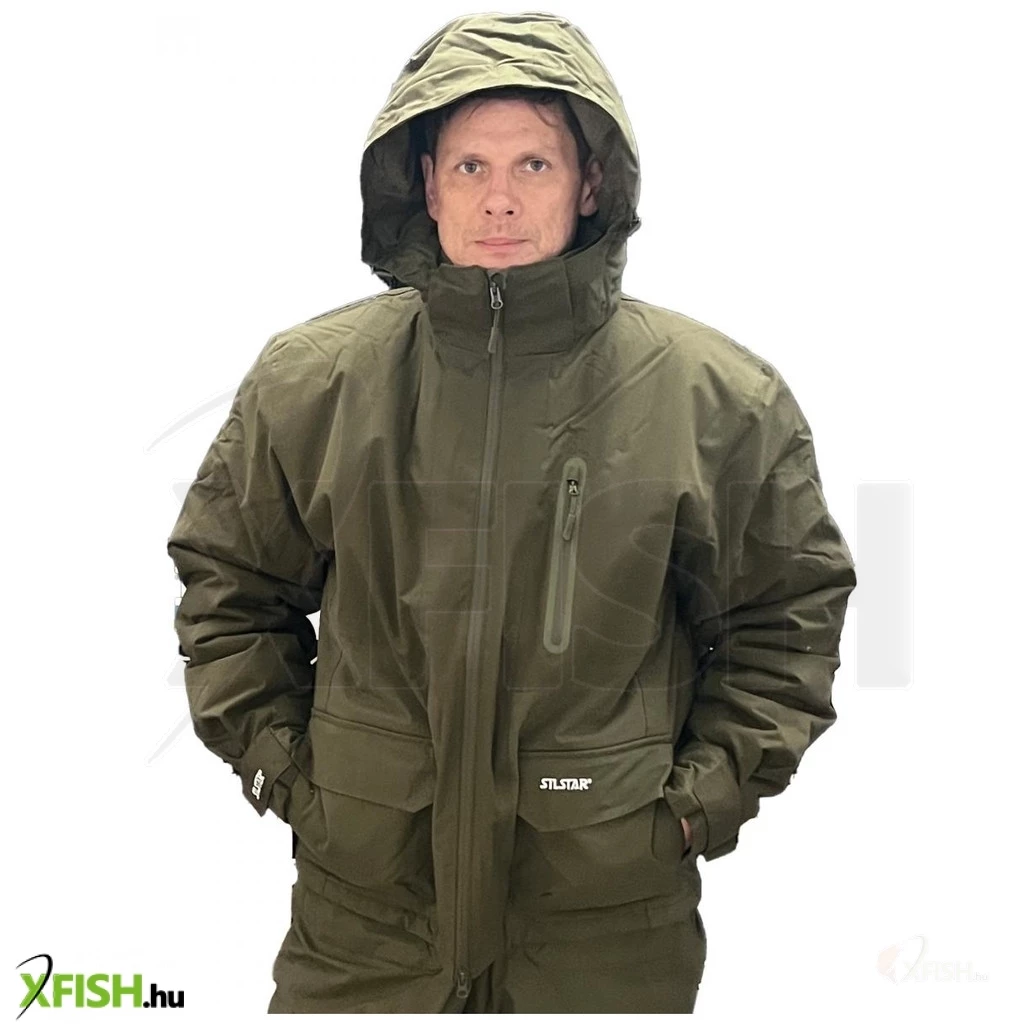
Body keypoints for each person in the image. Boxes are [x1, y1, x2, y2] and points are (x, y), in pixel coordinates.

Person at [167, 10, 857, 1014]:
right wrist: (295, 778)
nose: (499, 197)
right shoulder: (313, 380)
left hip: (605, 931)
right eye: (469, 166)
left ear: (590, 184)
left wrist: (690, 808)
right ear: (425, 184)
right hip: (364, 924)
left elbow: (786, 618)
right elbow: (230, 591)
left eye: (534, 164)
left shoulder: (715, 399)